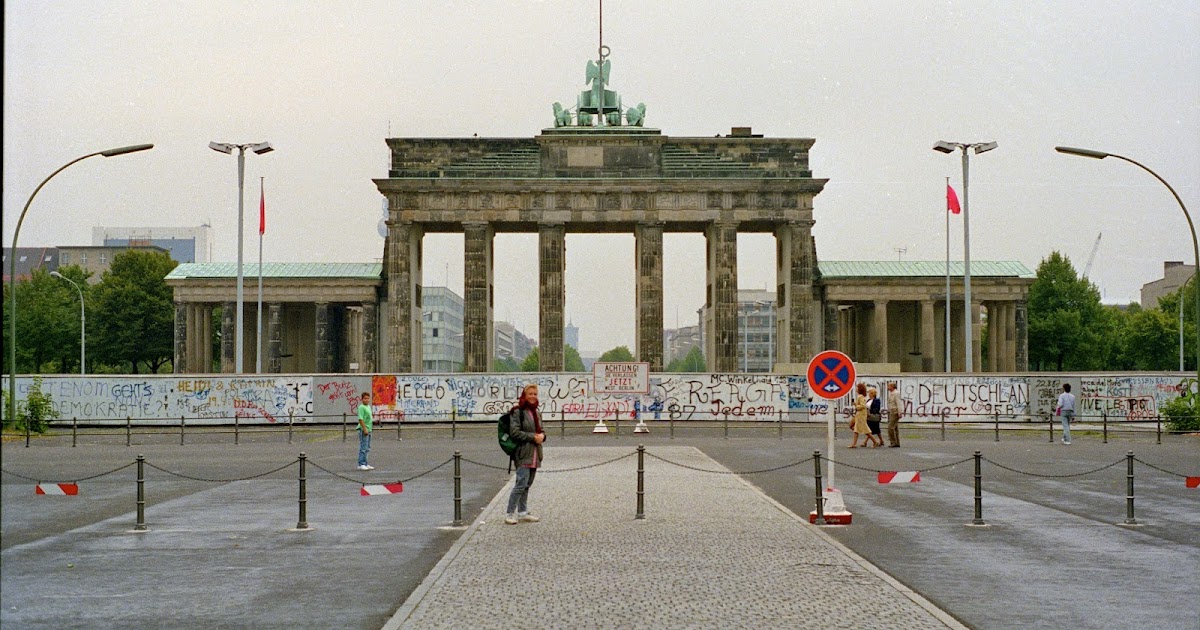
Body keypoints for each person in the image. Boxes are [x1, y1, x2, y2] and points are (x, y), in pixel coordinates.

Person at [505, 384, 546, 524]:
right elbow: (514, 432)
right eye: (530, 394)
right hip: (523, 453)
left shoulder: (537, 412)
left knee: (527, 484)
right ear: (524, 395)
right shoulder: (518, 412)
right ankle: (509, 513)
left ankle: (522, 512)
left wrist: (542, 437)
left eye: (535, 394)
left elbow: (542, 430)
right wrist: (533, 437)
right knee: (520, 483)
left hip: (535, 453)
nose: (533, 396)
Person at [848, 383, 871, 448]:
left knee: (863, 429)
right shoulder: (861, 396)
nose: (856, 388)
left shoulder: (860, 396)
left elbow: (863, 405)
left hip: (860, 414)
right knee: (857, 428)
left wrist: (856, 406)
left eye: (857, 387)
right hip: (859, 414)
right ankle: (854, 443)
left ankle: (854, 444)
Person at [356, 392, 374, 471]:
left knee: (367, 447)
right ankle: (361, 463)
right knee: (363, 447)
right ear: (362, 399)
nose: (366, 400)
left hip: (369, 428)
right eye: (365, 398)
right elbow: (360, 419)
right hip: (364, 429)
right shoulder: (361, 407)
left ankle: (365, 463)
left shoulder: (368, 407)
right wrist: (364, 429)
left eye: (368, 398)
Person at [886, 382, 903, 447]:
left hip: (894, 412)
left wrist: (899, 412)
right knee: (895, 428)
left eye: (889, 386)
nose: (888, 387)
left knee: (890, 427)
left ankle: (893, 442)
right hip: (892, 411)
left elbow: (898, 403)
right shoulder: (892, 393)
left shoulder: (896, 394)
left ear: (892, 386)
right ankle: (897, 442)